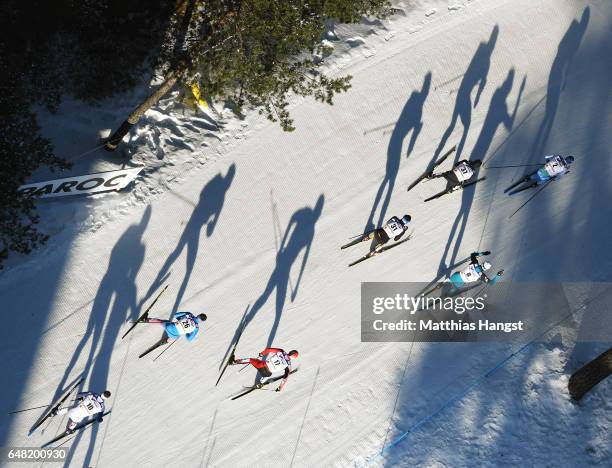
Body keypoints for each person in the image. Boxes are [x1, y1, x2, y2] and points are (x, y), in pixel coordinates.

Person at [231, 348, 298, 392]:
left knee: (251, 360)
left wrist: (261, 354)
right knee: (268, 375)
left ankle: (234, 362)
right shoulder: (288, 366)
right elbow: (285, 378)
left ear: (290, 352)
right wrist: (280, 388)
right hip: (267, 373)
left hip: (261, 365)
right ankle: (260, 384)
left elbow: (268, 349)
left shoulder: (281, 351)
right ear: (293, 358)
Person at [506, 155, 573, 194]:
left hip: (543, 170)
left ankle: (527, 179)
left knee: (535, 175)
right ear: (569, 162)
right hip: (547, 175)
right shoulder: (565, 168)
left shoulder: (558, 156)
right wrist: (554, 178)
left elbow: (547, 157)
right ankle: (534, 185)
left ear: (566, 157)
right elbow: (558, 176)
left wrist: (547, 162)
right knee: (542, 181)